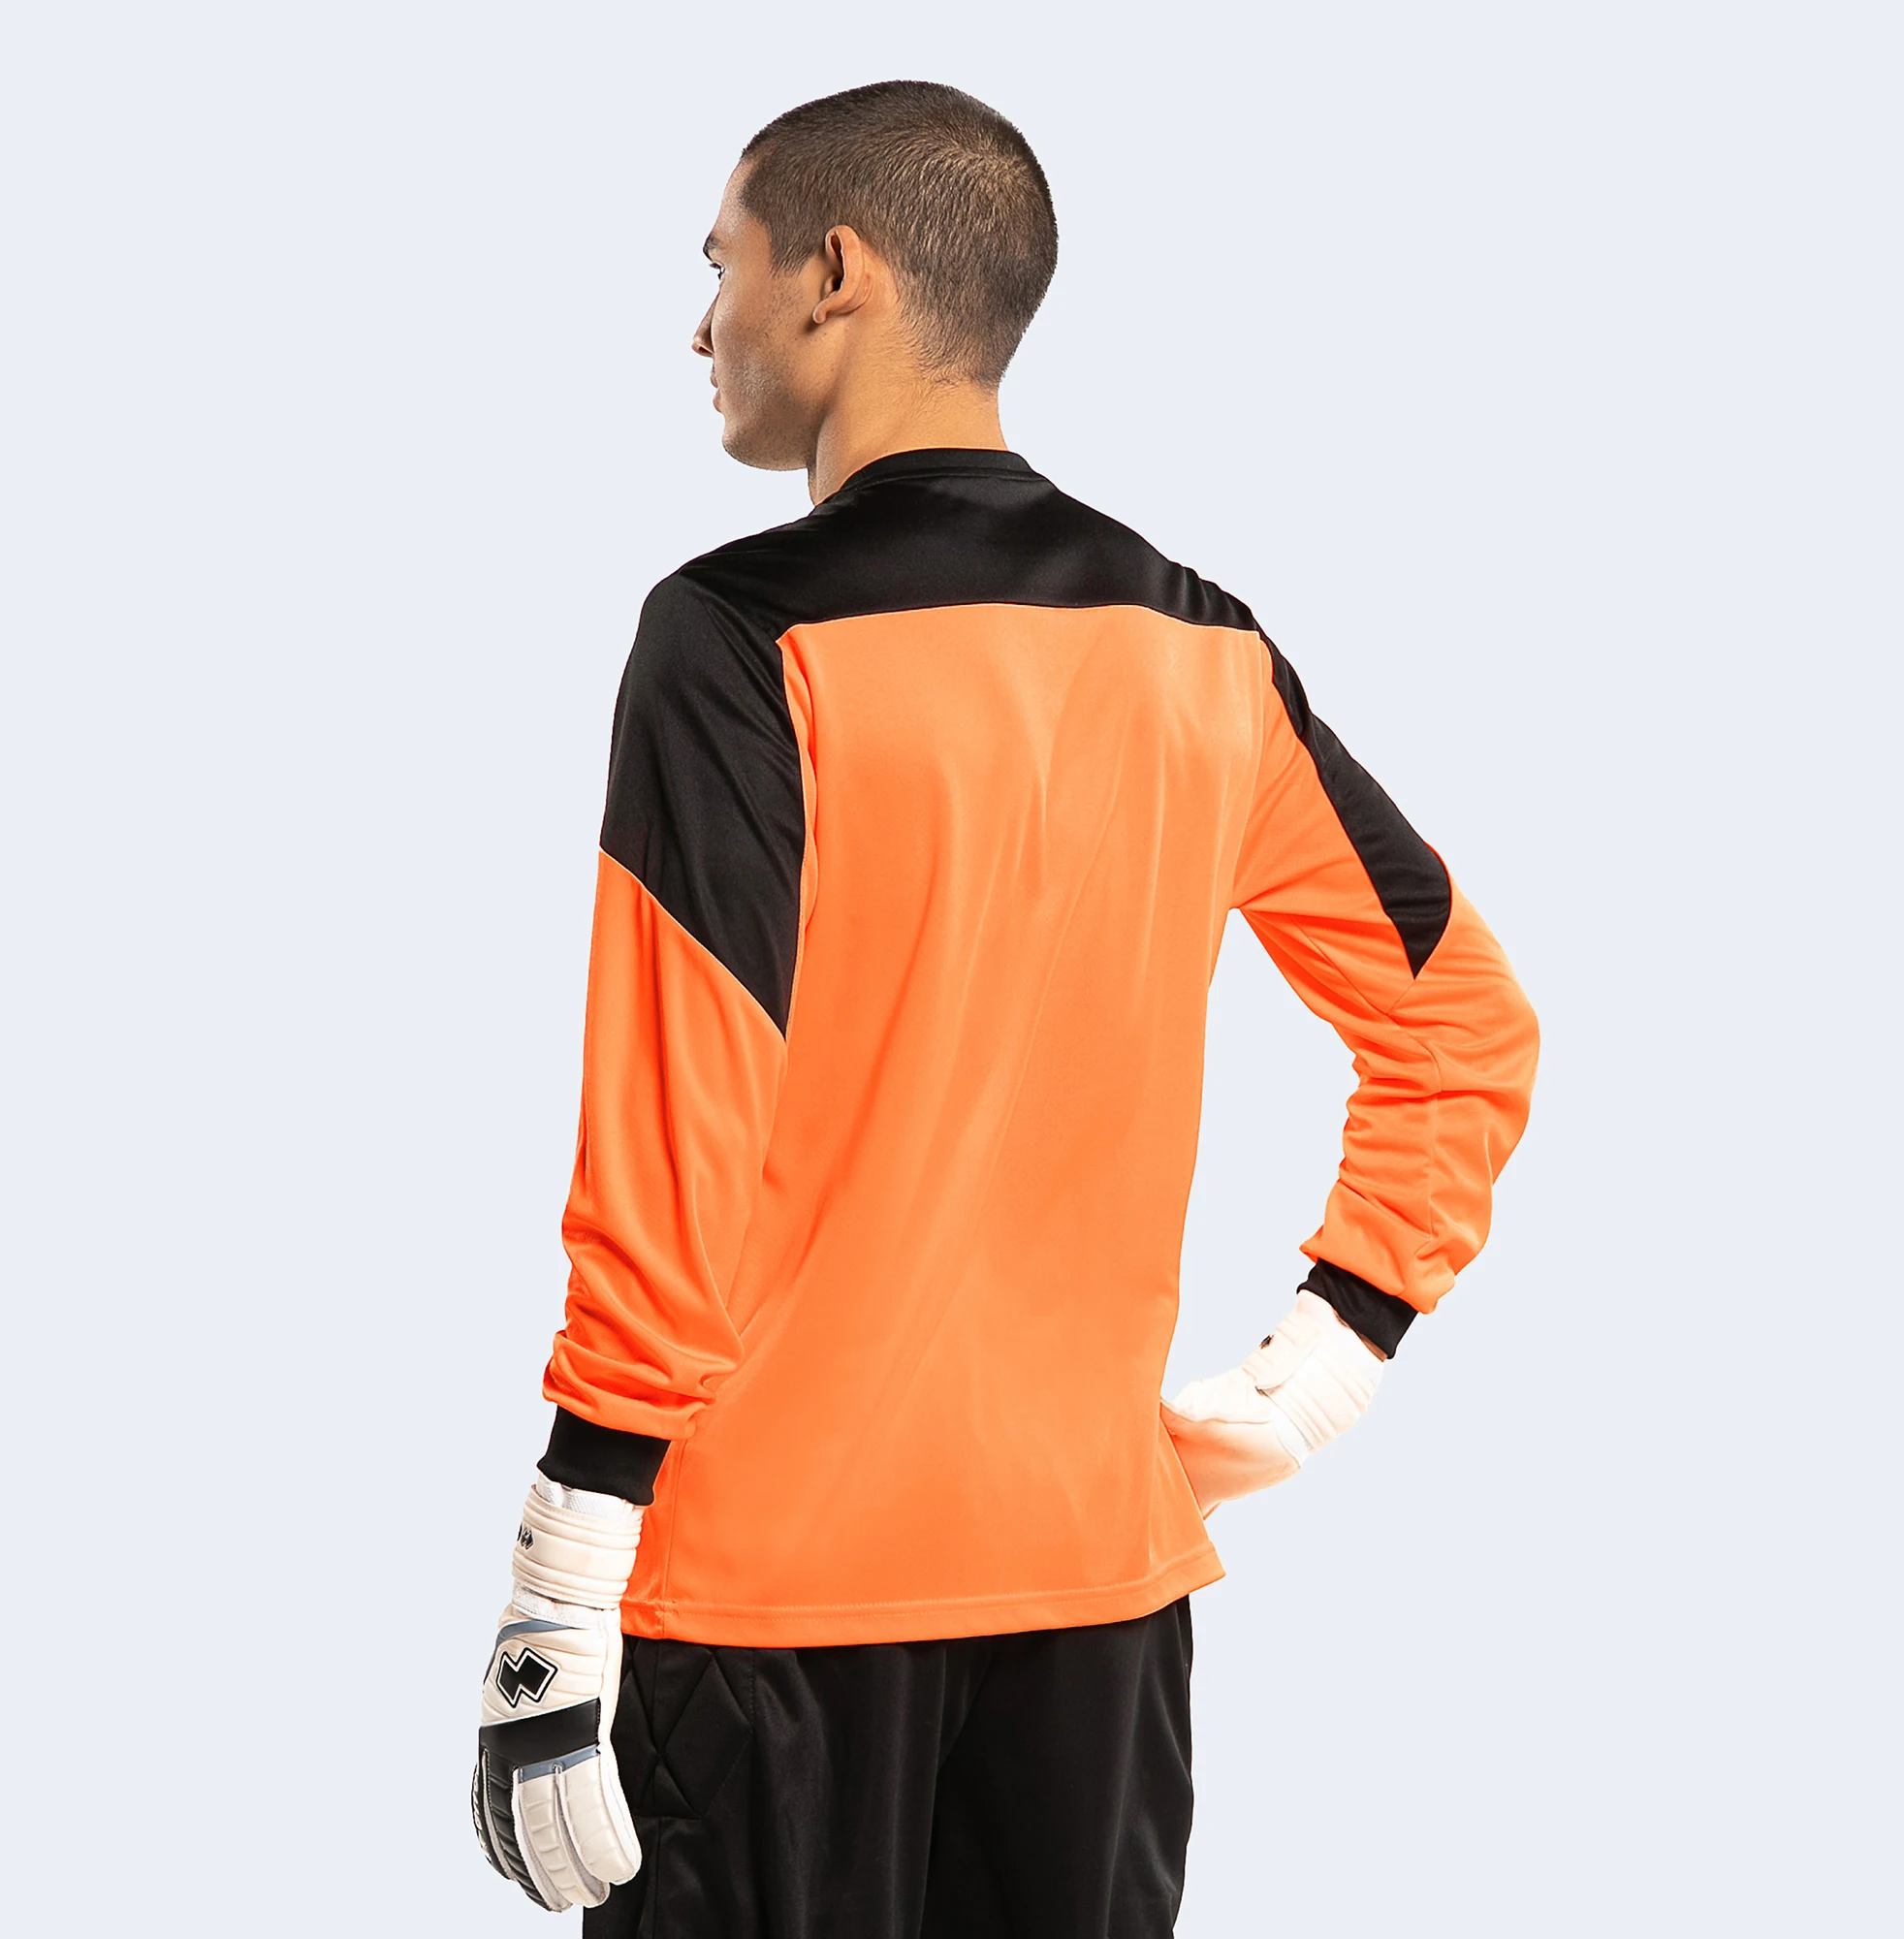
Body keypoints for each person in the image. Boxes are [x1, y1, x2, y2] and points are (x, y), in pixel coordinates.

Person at [470, 79, 1539, 1938]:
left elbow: (676, 1134)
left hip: (770, 1613)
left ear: (834, 274)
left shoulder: (736, 637)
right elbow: (1463, 1026)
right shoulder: (1199, 644)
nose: (701, 326)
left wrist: (566, 1569)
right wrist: (1334, 1349)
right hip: (1097, 1612)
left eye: (719, 265)